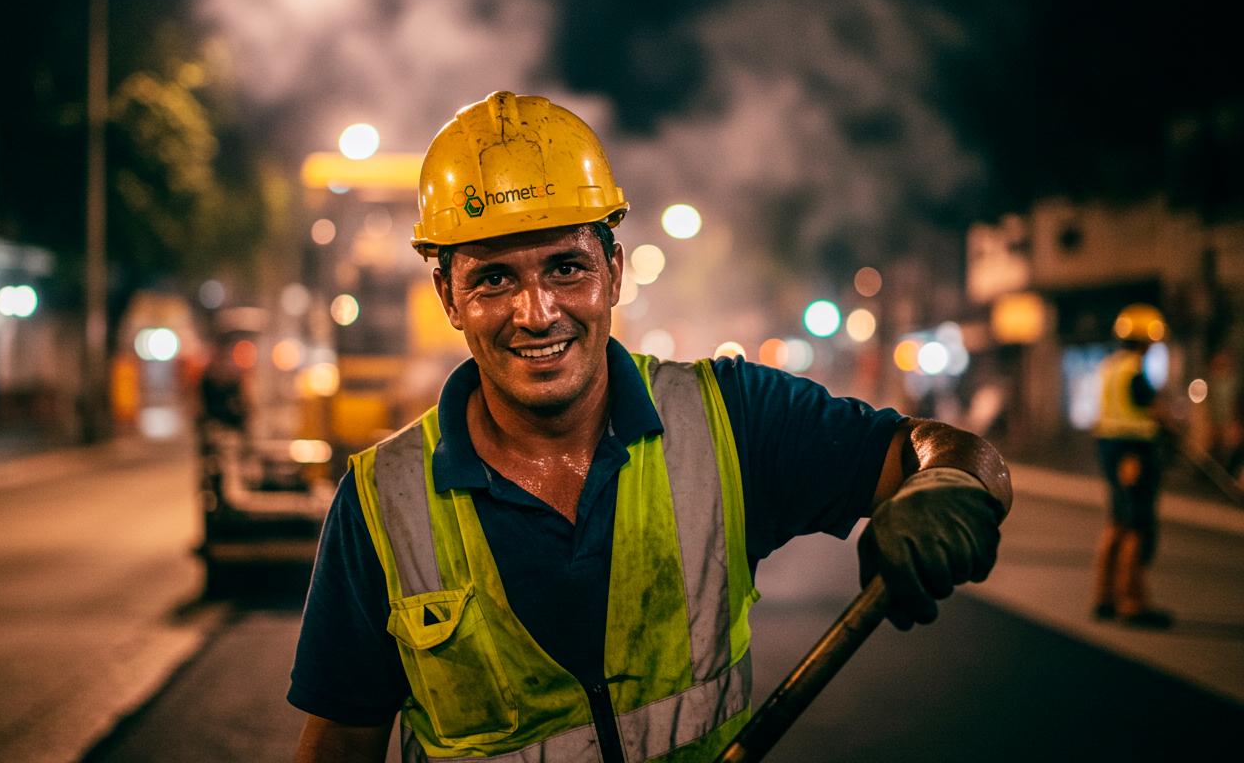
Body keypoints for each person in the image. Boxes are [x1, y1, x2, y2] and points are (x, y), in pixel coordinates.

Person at [289, 91, 1012, 763]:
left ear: (613, 269)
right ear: (448, 294)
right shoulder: (383, 502)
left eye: (566, 267)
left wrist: (943, 482)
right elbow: (339, 746)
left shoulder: (731, 418)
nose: (537, 312)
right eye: (494, 279)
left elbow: (950, 451)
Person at [1091, 304, 1172, 628]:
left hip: (1110, 449)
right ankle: (1131, 602)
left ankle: (1105, 596)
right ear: (1144, 338)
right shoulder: (1134, 370)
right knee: (1136, 527)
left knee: (1116, 521)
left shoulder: (1110, 366)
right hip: (1133, 454)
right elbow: (1148, 409)